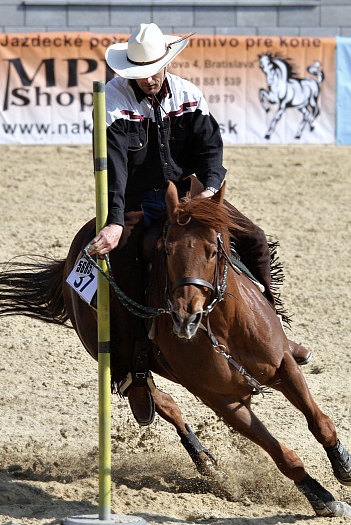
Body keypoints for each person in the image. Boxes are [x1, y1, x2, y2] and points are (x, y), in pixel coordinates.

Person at [87, 23, 311, 426]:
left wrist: (209, 190)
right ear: (129, 72)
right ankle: (135, 370)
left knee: (255, 239)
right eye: (141, 73)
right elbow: (115, 172)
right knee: (122, 267)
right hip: (140, 201)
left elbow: (210, 149)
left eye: (155, 69)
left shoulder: (189, 94)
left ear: (166, 64)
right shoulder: (114, 102)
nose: (150, 79)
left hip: (193, 193)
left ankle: (275, 329)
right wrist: (116, 222)